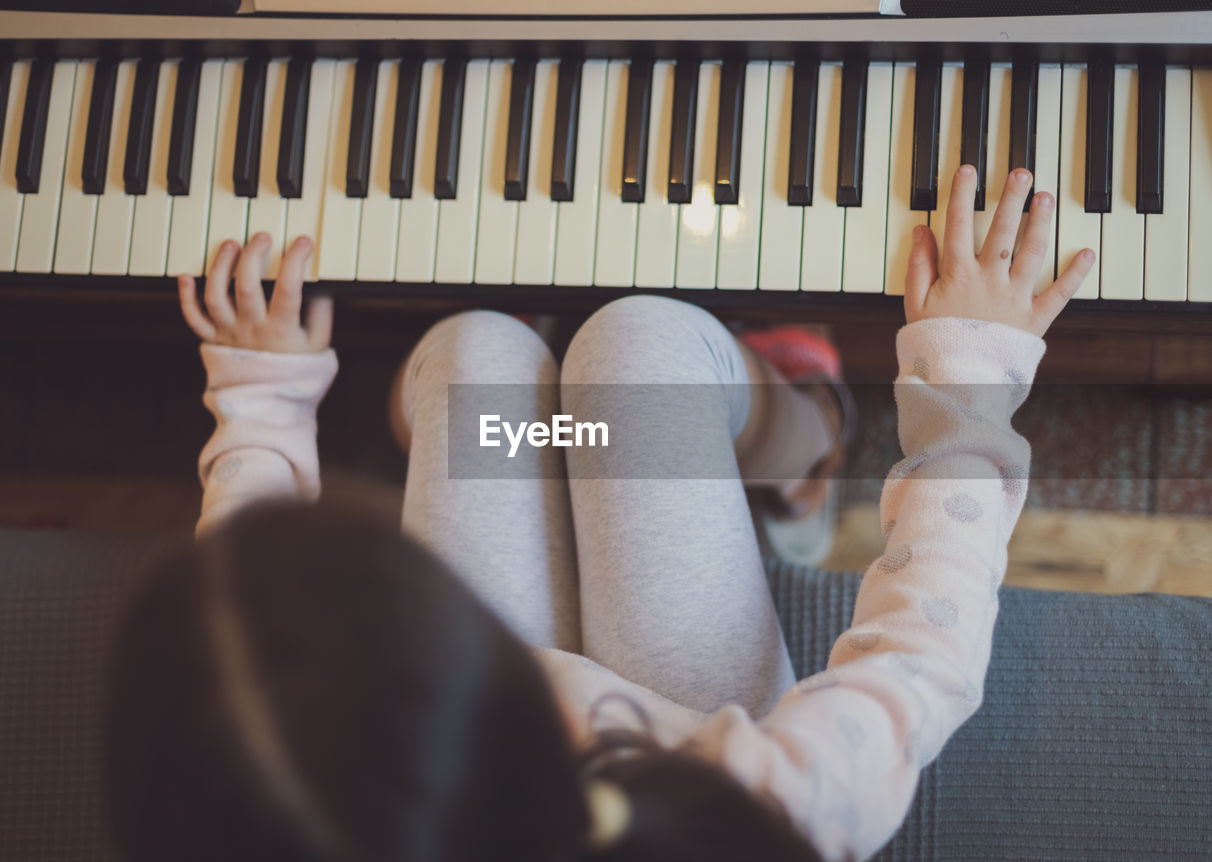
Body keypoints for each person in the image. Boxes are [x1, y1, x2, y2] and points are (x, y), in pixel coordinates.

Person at [106, 165, 1095, 862]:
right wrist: (968, 377)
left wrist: (263, 404)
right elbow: (918, 657)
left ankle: (543, 412)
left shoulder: (304, 787)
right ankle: (797, 469)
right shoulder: (764, 808)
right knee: (639, 344)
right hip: (686, 727)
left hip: (531, 722)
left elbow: (241, 633)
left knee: (477, 356)